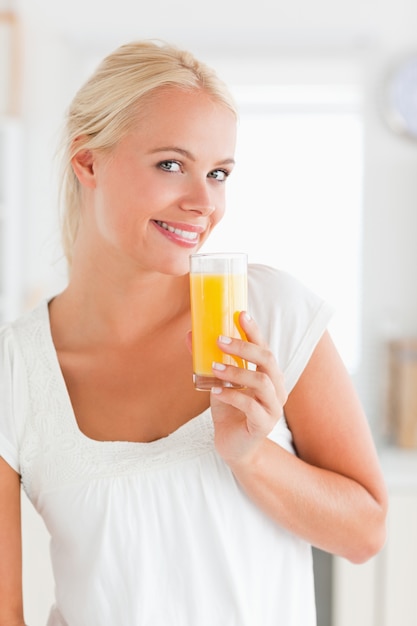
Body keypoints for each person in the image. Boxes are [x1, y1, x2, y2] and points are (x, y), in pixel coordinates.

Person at [0, 39, 388, 626]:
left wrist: (253, 456)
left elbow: (366, 533)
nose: (204, 202)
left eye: (219, 173)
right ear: (88, 162)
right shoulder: (15, 371)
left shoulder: (267, 313)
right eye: (171, 165)